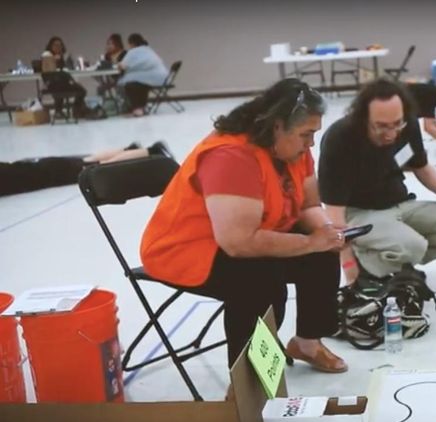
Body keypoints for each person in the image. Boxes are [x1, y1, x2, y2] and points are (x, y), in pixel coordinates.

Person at [141, 79, 348, 373]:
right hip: (188, 251)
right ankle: (251, 379)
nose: (311, 143)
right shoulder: (231, 156)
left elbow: (308, 206)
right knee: (260, 279)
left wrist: (329, 234)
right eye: (306, 134)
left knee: (322, 255)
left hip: (244, 237)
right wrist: (311, 242)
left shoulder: (294, 149)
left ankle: (306, 343)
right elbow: (239, 243)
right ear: (277, 126)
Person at [318, 78, 436, 293]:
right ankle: (368, 264)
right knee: (413, 246)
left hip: (401, 204)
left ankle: (398, 263)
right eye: (381, 126)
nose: (391, 134)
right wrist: (348, 266)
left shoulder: (408, 124)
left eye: (396, 124)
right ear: (363, 118)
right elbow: (334, 214)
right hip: (358, 214)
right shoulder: (340, 138)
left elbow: (421, 167)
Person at [0, 142, 170, 197]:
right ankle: (131, 150)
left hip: (49, 174)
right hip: (43, 165)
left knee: (97, 168)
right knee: (88, 161)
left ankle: (149, 152)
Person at [118, 33, 168, 117]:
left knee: (130, 84)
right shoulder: (149, 50)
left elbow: (122, 66)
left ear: (131, 43)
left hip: (150, 78)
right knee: (139, 83)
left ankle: (137, 108)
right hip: (163, 77)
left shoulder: (133, 51)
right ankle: (142, 107)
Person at [41, 36, 87, 117]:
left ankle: (76, 109)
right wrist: (54, 60)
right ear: (50, 46)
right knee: (75, 89)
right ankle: (69, 111)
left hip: (62, 81)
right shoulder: (47, 55)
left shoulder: (62, 56)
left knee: (81, 90)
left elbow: (66, 69)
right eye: (55, 45)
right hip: (53, 83)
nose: (58, 47)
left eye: (60, 45)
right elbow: (50, 71)